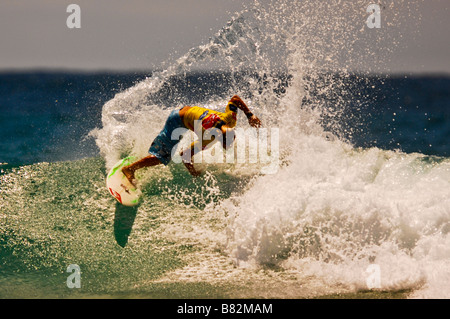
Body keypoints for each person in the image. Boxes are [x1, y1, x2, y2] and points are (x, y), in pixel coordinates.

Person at [122, 95, 261, 184]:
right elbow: (185, 154)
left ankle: (147, 156)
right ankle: (130, 169)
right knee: (163, 157)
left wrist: (250, 115)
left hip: (184, 109)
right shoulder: (209, 137)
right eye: (227, 144)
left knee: (166, 147)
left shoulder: (229, 119)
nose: (228, 147)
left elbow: (235, 99)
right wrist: (194, 173)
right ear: (221, 138)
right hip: (176, 120)